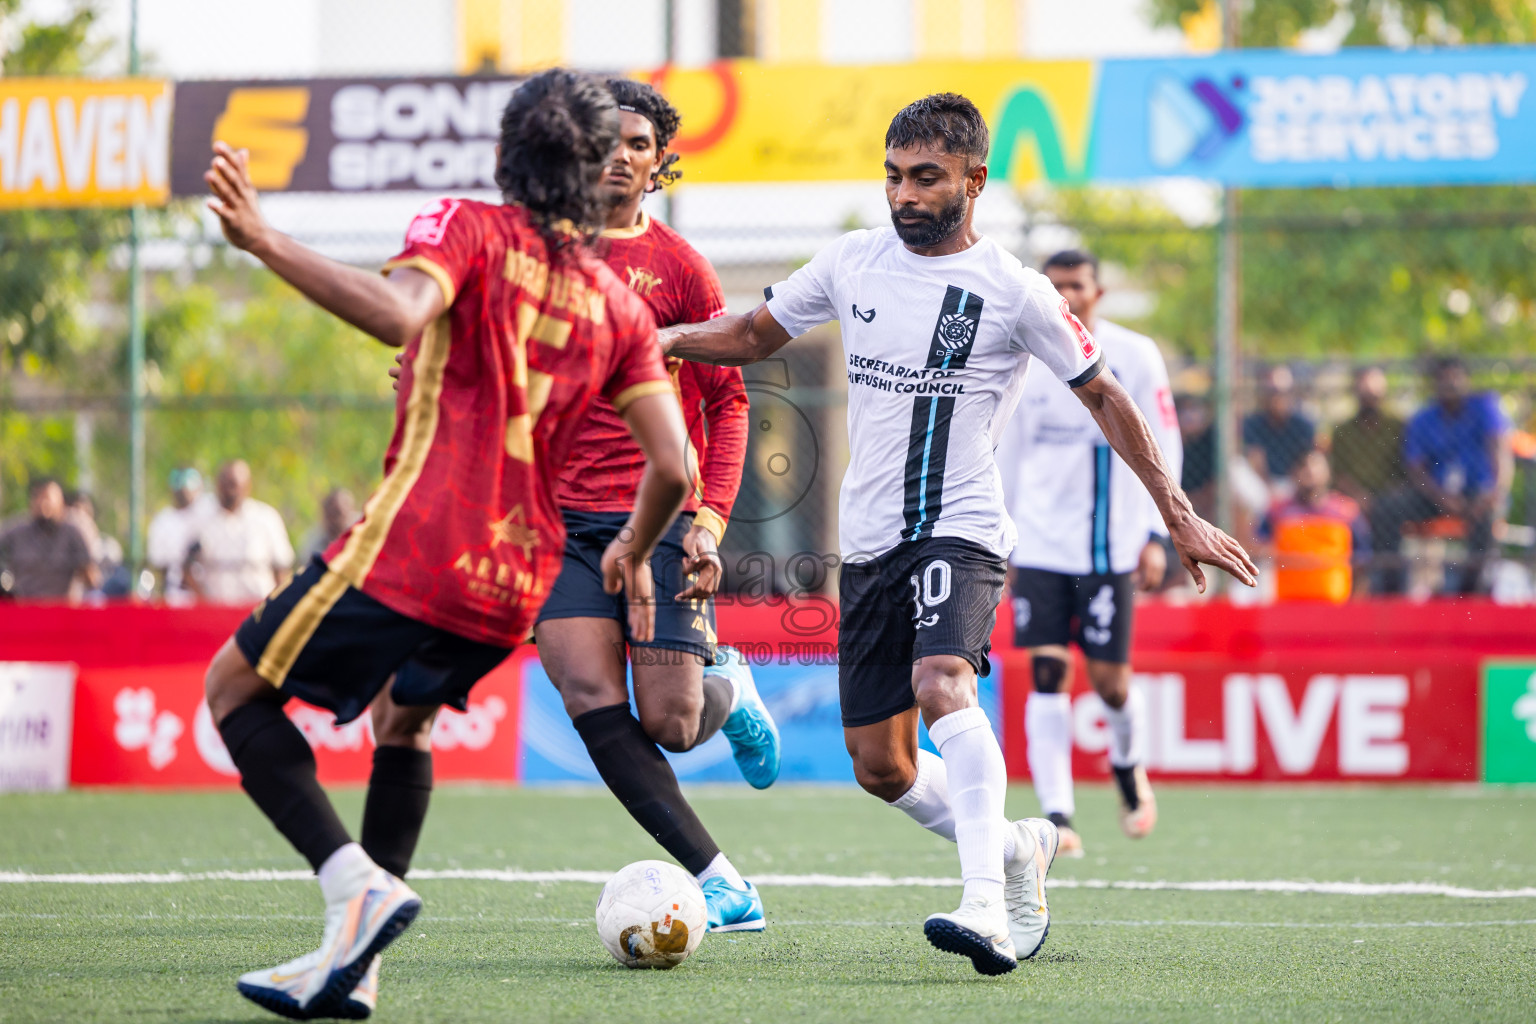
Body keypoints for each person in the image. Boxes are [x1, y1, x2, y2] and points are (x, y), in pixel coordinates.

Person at [659, 92, 1256, 976]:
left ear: (974, 181)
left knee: (943, 683)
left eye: (926, 178)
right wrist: (651, 339)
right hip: (866, 545)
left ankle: (987, 907)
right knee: (881, 766)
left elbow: (1107, 397)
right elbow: (750, 334)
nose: (904, 194)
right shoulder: (853, 261)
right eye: (894, 176)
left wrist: (1177, 512)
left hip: (962, 528)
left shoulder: (1017, 292)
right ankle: (1019, 846)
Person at [200, 68, 690, 1020]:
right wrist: (632, 548)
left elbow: (395, 314)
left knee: (233, 690)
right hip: (522, 578)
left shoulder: (466, 226)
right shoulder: (622, 309)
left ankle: (354, 884)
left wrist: (260, 235)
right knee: (406, 722)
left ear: (505, 155)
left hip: (417, 543)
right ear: (598, 177)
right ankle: (358, 965)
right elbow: (670, 466)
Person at [531, 78, 773, 933]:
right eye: (607, 138)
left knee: (670, 722)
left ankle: (730, 694)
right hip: (554, 523)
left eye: (639, 142)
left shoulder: (679, 269)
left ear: (660, 162)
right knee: (586, 689)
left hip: (659, 516)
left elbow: (729, 404)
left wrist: (709, 518)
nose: (621, 153)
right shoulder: (533, 254)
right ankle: (721, 878)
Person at [998, 249, 1182, 859]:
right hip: (1042, 543)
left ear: (1098, 293)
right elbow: (1009, 451)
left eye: (1078, 285)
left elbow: (1163, 444)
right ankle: (1058, 815)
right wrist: (1003, 536)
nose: (1068, 297)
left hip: (1111, 548)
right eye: (1057, 287)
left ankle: (1128, 769)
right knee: (1047, 674)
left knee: (1110, 685)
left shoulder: (1134, 356)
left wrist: (1159, 534)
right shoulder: (1027, 358)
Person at [1404, 355, 1513, 594]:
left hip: (1481, 492)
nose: (1449, 383)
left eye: (1455, 376)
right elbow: (1415, 468)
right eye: (1443, 378)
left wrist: (1495, 491)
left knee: (1489, 515)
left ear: (1466, 380)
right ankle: (1391, 587)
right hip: (1436, 495)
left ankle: (1470, 592)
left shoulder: (1485, 407)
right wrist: (1441, 498)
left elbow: (1500, 452)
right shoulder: (1423, 418)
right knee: (1388, 508)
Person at [1330, 366, 1411, 593]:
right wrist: (1359, 497)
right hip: (1353, 498)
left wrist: (1384, 498)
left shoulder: (1398, 426)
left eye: (1374, 394)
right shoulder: (1342, 431)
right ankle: (1357, 587)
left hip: (1389, 499)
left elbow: (1408, 471)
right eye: (1364, 393)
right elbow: (1337, 474)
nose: (1369, 399)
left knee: (1387, 511)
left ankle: (1390, 587)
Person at [1258, 449, 1369, 600]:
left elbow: (1362, 559)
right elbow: (1257, 546)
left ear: (1328, 472)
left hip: (1335, 604)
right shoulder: (1278, 511)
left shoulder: (1347, 511)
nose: (1310, 471)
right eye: (1304, 466)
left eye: (1316, 466)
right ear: (1294, 472)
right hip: (1287, 603)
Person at [184, 459, 296, 605]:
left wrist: (277, 608)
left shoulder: (266, 518)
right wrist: (204, 601)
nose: (229, 491)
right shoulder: (199, 520)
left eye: (233, 485)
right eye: (224, 484)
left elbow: (282, 571)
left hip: (258, 611)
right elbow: (186, 568)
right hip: (214, 612)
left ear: (247, 486)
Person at [0, 477, 98, 600]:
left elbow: (92, 578)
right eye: (39, 497)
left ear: (61, 502)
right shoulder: (16, 531)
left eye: (48, 498)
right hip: (24, 609)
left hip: (62, 610)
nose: (44, 504)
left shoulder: (73, 532)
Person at [1243, 365, 1316, 491]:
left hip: (1295, 485)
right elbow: (1256, 461)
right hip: (1263, 487)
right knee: (1236, 468)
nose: (1277, 398)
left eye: (1283, 392)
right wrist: (1270, 490)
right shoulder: (1253, 423)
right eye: (1272, 392)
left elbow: (1305, 461)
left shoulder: (1304, 425)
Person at [147, 467, 215, 603]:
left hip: (209, 595)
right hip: (175, 596)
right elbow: (159, 566)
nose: (184, 492)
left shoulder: (209, 516)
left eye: (189, 487)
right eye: (180, 487)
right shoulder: (163, 521)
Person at [64, 490, 129, 598]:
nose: (81, 517)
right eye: (76, 511)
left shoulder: (108, 546)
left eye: (86, 512)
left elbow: (98, 582)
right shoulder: (58, 546)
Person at [302, 487, 360, 563]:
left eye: (337, 513)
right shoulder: (314, 541)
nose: (335, 520)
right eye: (331, 514)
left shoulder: (362, 530)